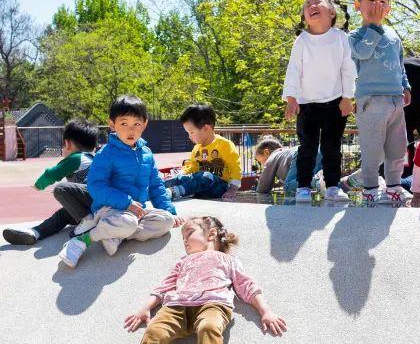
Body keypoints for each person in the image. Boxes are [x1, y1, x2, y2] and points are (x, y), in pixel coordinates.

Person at [103, 215, 287, 344]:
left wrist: (266, 311)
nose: (185, 240)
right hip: (177, 306)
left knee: (209, 327)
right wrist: (146, 307)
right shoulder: (184, 261)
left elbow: (247, 286)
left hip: (213, 303)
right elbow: (166, 286)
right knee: (155, 330)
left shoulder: (227, 260)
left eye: (189, 233)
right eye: (182, 238)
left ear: (210, 234)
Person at [59, 95, 178, 268]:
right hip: (110, 209)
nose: (131, 130)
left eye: (136, 124)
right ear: (112, 125)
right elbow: (96, 185)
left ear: (144, 124)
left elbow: (156, 185)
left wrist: (170, 210)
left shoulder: (146, 153)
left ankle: (116, 234)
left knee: (165, 221)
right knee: (128, 222)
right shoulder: (106, 153)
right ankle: (85, 238)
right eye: (124, 124)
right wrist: (126, 202)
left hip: (136, 212)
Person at [283, 0, 356, 203]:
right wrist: (291, 98)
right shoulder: (302, 40)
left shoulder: (341, 38)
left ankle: (333, 186)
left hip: (335, 102)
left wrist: (347, 97)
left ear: (331, 11)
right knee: (307, 147)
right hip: (307, 104)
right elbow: (294, 70)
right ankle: (303, 187)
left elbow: (348, 69)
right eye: (307, 4)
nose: (312, 5)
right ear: (305, 16)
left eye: (317, 1)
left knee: (332, 147)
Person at [348, 0, 412, 204]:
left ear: (389, 8)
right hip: (370, 100)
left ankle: (394, 186)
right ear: (358, 5)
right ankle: (370, 188)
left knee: (398, 147)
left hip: (396, 100)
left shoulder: (393, 34)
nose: (377, 5)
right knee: (372, 147)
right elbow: (362, 54)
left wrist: (406, 85)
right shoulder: (355, 35)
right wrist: (373, 27)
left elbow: (400, 63)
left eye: (383, 1)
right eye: (371, 0)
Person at [2, 119, 98, 246]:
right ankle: (35, 233)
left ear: (68, 144)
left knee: (61, 189)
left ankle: (87, 220)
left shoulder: (76, 158)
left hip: (92, 200)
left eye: (63, 146)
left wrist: (39, 185)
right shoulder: (95, 158)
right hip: (94, 205)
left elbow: (52, 173)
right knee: (63, 214)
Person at [164, 104, 242, 201]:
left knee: (205, 176)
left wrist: (232, 189)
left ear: (206, 128)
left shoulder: (225, 145)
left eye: (191, 132)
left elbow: (235, 168)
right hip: (199, 187)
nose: (189, 136)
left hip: (219, 187)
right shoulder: (197, 148)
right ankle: (155, 189)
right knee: (180, 178)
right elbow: (192, 167)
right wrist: (181, 174)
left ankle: (173, 192)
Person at [254, 136, 322, 194]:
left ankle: (317, 181)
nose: (262, 165)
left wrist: (257, 191)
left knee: (288, 186)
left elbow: (263, 187)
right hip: (319, 151)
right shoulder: (285, 153)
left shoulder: (273, 156)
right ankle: (324, 180)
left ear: (266, 152)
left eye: (260, 161)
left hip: (300, 154)